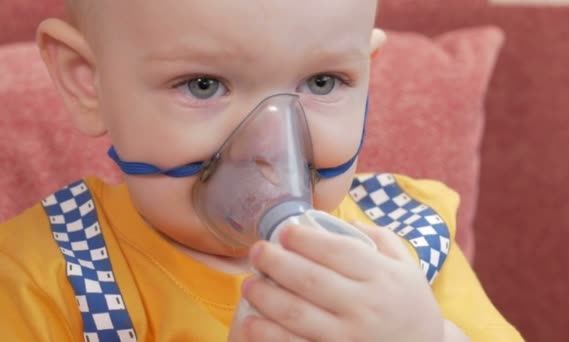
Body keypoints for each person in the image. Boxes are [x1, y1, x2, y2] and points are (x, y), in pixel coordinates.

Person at [0, 1, 523, 341]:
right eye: (203, 85)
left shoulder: (406, 238)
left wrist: (425, 336)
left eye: (322, 82)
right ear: (88, 82)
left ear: (368, 77)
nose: (271, 150)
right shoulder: (46, 278)